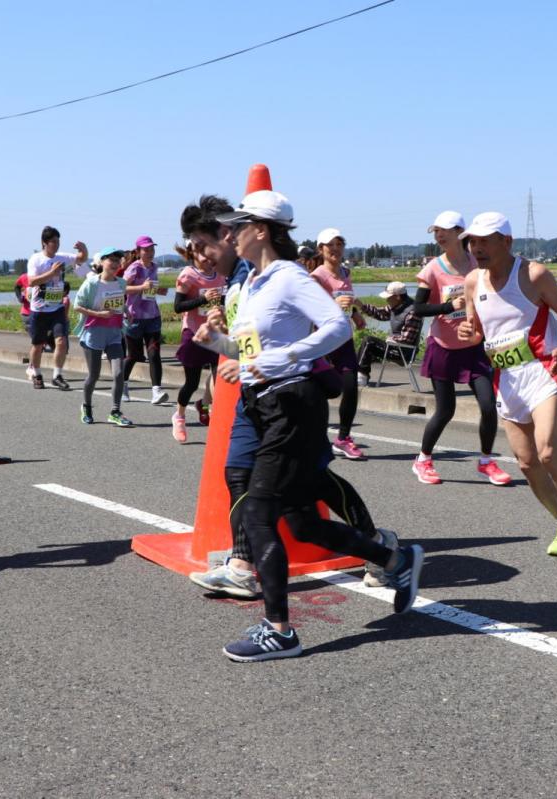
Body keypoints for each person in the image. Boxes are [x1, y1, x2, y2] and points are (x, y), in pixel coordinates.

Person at [195, 190, 423, 661]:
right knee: (300, 523)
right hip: (265, 405)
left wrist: (276, 361)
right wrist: (219, 343)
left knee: (259, 514)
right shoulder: (254, 284)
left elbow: (337, 327)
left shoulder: (288, 277)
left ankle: (279, 630)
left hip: (292, 405)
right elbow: (255, 355)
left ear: (260, 230)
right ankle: (394, 559)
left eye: (237, 226)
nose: (229, 234)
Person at [457, 212, 557, 561]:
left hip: (542, 370)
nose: (476, 248)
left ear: (506, 242)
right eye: (472, 242)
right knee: (525, 462)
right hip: (506, 378)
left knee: (548, 452)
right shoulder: (473, 281)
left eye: (484, 241)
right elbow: (476, 331)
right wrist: (467, 333)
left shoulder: (533, 274)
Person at [410, 211, 512, 486]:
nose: (439, 235)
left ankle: (486, 461)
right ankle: (423, 459)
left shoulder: (476, 264)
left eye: (444, 230)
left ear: (460, 233)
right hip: (443, 346)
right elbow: (417, 308)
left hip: (474, 346)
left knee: (489, 406)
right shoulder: (432, 269)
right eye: (435, 232)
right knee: (446, 410)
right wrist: (447, 307)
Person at [311, 227, 368, 460]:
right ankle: (314, 435)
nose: (335, 249)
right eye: (330, 245)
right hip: (323, 340)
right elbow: (312, 310)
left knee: (351, 387)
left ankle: (343, 438)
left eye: (339, 244)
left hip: (343, 339)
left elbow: (347, 301)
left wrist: (355, 313)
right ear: (321, 249)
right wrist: (336, 307)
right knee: (320, 391)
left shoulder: (345, 272)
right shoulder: (316, 277)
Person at [73, 247, 133, 427]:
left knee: (119, 372)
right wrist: (98, 314)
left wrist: (126, 312)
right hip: (93, 333)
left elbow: (119, 303)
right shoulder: (92, 283)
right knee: (94, 375)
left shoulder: (121, 283)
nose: (115, 264)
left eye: (117, 261)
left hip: (114, 333)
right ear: (102, 263)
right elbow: (77, 306)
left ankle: (115, 411)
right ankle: (87, 406)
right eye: (111, 260)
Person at [171, 243, 225, 442]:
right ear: (192, 254)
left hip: (217, 332)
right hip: (194, 332)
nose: (206, 257)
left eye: (208, 251)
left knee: (220, 378)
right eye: (200, 253)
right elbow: (178, 306)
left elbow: (225, 299)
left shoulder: (221, 273)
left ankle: (208, 408)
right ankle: (179, 416)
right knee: (191, 382)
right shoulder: (188, 275)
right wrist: (203, 299)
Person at [26, 225, 88, 390]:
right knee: (38, 345)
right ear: (44, 243)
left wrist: (84, 249)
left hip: (57, 308)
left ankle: (57, 375)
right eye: (53, 241)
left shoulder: (61, 257)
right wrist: (52, 273)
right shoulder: (36, 259)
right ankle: (37, 373)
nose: (56, 244)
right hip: (39, 309)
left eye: (58, 241)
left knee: (61, 342)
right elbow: (31, 282)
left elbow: (80, 259)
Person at [121, 236, 170, 405]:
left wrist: (159, 290)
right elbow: (122, 288)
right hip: (134, 317)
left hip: (152, 316)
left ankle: (156, 391)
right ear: (138, 252)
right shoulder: (134, 268)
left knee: (154, 353)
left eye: (152, 249)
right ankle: (122, 385)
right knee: (133, 356)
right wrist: (141, 287)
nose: (150, 253)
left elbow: (151, 289)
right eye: (146, 250)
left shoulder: (155, 267)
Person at [354, 281, 421, 384]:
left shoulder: (413, 312)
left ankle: (361, 377)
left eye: (388, 297)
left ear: (397, 297)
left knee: (369, 342)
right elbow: (379, 314)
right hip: (394, 346)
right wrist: (361, 305)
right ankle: (360, 374)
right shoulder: (395, 306)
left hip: (404, 352)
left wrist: (389, 339)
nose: (386, 299)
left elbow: (407, 339)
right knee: (367, 343)